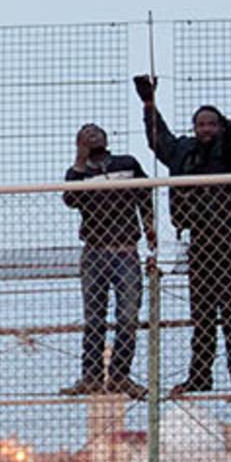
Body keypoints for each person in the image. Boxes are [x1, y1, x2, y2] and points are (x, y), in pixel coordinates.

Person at [138, 77, 231, 400]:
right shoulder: (183, 152)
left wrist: (229, 129)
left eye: (211, 124)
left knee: (230, 309)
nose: (206, 129)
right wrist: (149, 105)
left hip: (227, 239)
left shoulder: (227, 151)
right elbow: (159, 142)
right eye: (201, 124)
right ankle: (200, 376)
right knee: (201, 313)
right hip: (199, 239)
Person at [60, 123, 156, 399]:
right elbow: (71, 199)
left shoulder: (127, 164)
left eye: (97, 131)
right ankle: (90, 376)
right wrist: (79, 160)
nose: (93, 135)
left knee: (127, 316)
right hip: (94, 251)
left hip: (125, 250)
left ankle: (119, 375)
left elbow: (144, 193)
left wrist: (149, 225)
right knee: (94, 318)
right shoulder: (78, 173)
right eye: (86, 133)